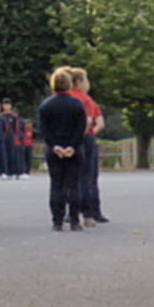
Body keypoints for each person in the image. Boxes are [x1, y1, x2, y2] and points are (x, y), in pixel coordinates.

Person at [38, 67, 90, 232]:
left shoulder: (46, 105)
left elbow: (44, 129)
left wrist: (55, 146)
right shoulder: (77, 104)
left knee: (56, 185)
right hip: (74, 148)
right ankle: (74, 220)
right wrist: (73, 146)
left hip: (54, 149)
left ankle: (57, 220)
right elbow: (81, 128)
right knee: (73, 185)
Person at [72, 68, 108, 225]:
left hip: (65, 140)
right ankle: (92, 211)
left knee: (70, 177)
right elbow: (99, 123)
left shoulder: (61, 97)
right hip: (86, 138)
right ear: (79, 81)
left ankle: (70, 212)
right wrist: (91, 132)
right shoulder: (86, 100)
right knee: (89, 176)